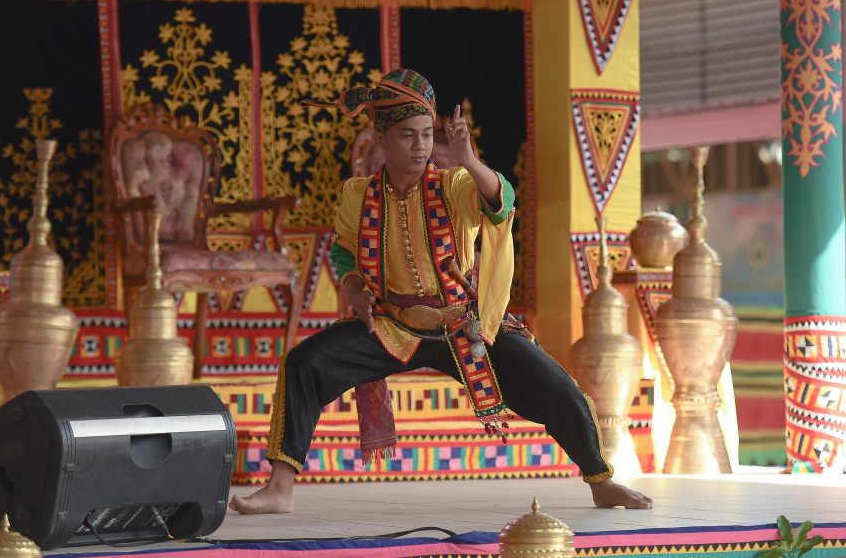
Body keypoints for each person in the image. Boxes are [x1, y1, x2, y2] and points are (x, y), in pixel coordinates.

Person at [229, 69, 652, 514]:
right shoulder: (359, 194)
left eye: (428, 135)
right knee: (302, 363)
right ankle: (279, 490)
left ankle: (601, 481)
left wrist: (470, 160)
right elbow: (346, 254)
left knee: (553, 384)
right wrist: (355, 291)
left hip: (461, 326)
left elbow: (501, 202)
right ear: (382, 138)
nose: (420, 147)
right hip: (393, 327)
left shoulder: (454, 186)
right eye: (407, 135)